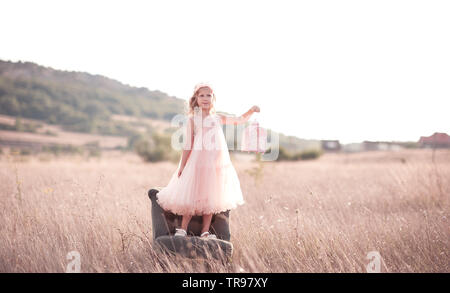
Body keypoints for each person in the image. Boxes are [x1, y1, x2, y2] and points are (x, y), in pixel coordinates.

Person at [156, 82, 260, 239]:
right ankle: (183, 229)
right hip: (197, 163)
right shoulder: (193, 119)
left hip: (215, 164)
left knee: (211, 194)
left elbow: (239, 120)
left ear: (213, 98)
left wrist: (251, 110)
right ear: (196, 99)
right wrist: (183, 166)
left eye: (208, 95)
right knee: (192, 193)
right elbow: (188, 145)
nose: (205, 98)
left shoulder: (217, 118)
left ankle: (205, 230)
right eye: (201, 95)